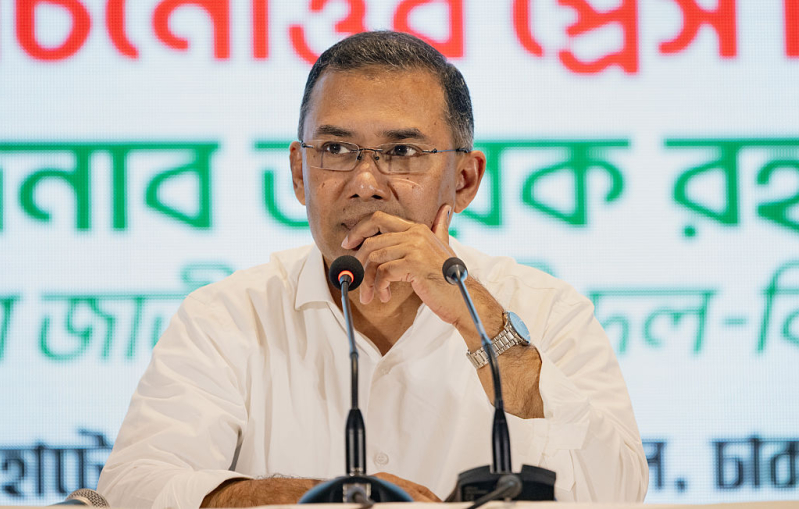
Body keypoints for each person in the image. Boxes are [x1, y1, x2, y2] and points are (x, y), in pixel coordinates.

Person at [97, 31, 648, 508]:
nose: (364, 182)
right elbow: (134, 488)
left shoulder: (547, 309)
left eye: (402, 152)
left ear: (464, 180)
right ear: (298, 172)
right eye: (336, 148)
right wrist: (327, 498)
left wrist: (481, 322)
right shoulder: (227, 317)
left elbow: (617, 492)